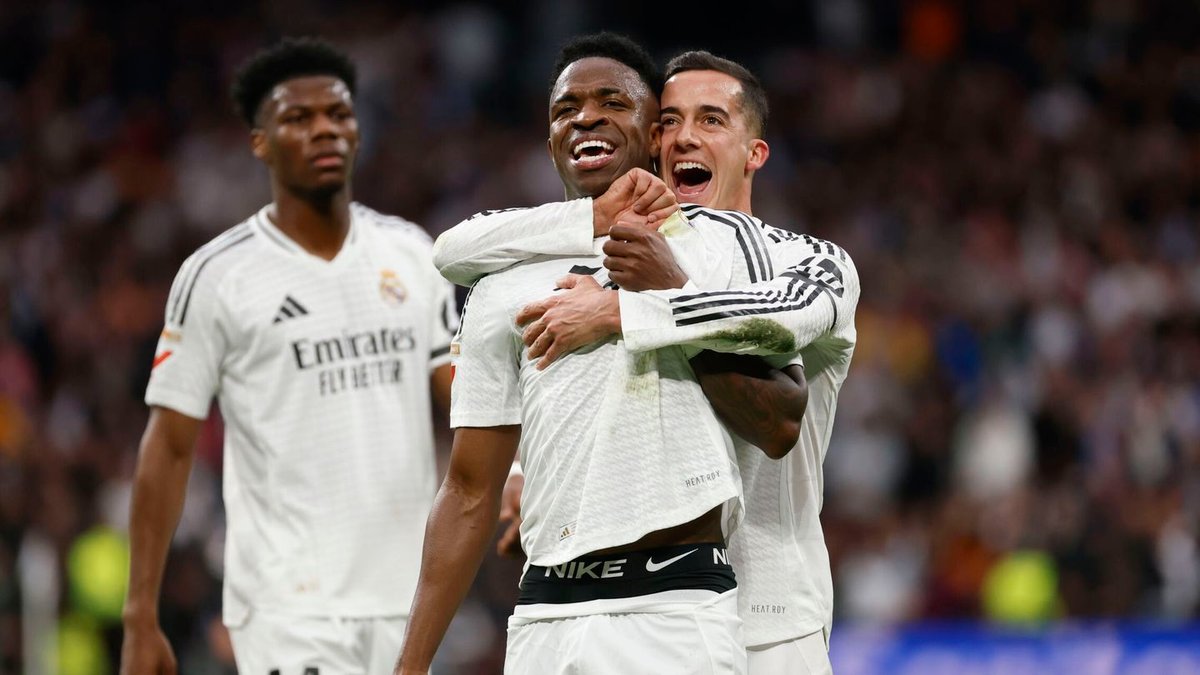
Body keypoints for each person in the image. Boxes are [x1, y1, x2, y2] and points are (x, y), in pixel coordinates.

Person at [431, 49, 859, 674]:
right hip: (642, 602)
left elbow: (778, 382)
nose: (683, 137)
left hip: (772, 614)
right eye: (669, 121)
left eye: (710, 119)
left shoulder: (801, 258)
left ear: (755, 152)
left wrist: (625, 311)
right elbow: (455, 250)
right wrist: (533, 468)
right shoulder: (621, 259)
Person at [120, 37, 457, 675]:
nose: (324, 129)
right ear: (260, 142)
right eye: (299, 118)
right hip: (288, 608)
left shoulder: (412, 253)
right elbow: (168, 446)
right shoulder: (219, 276)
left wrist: (513, 472)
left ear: (358, 129)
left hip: (410, 599)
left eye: (338, 114)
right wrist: (140, 614)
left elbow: (463, 396)